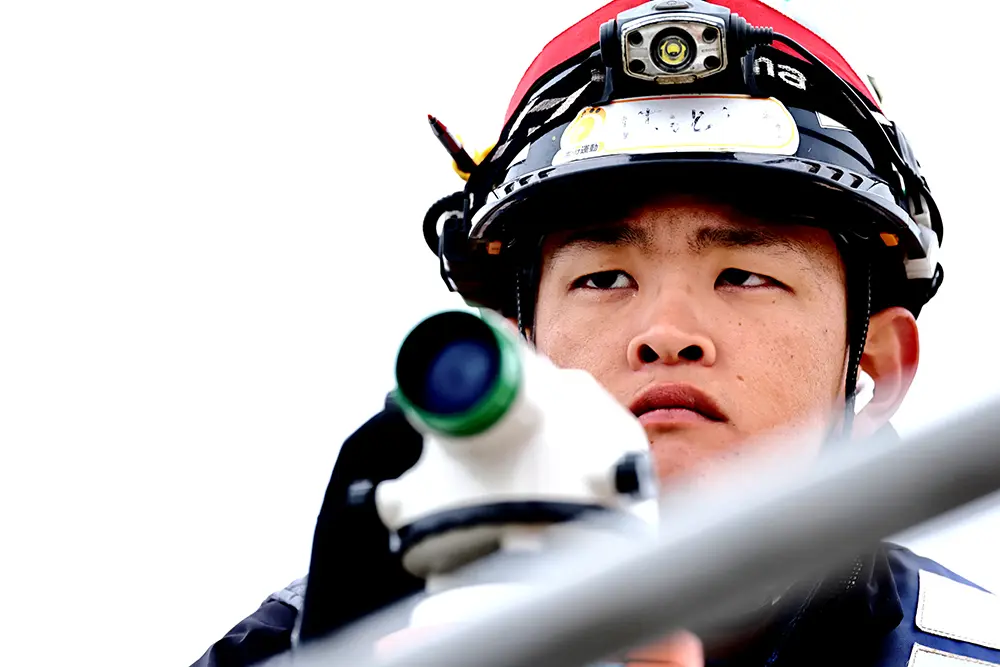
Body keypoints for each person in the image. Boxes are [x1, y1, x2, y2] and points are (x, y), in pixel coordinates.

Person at [191, 1, 1000, 665]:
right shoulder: (294, 654)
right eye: (604, 278)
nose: (668, 333)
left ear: (877, 365)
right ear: (513, 351)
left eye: (744, 275)